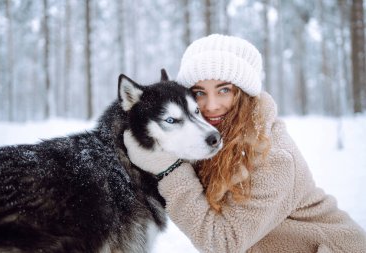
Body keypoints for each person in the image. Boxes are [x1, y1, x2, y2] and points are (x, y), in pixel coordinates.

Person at [124, 34, 366, 252]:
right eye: (199, 92)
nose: (210, 105)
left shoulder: (274, 158)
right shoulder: (212, 138)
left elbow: (224, 243)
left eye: (223, 90)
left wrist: (169, 169)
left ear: (242, 94)